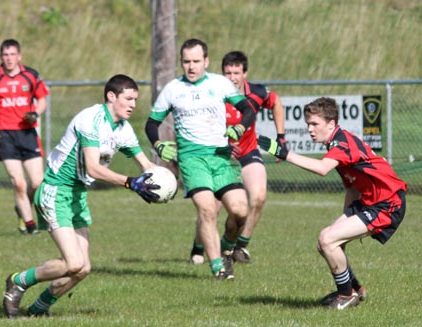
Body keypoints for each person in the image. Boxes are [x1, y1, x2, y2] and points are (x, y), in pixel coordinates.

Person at [3, 74, 160, 318]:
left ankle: (38, 309)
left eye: (135, 100)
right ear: (111, 96)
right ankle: (18, 280)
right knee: (73, 263)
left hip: (77, 195)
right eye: (128, 99)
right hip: (55, 191)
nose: (133, 104)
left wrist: (165, 177)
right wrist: (130, 183)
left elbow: (144, 164)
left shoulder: (123, 128)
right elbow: (93, 168)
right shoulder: (91, 119)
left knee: (83, 268)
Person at [258, 97, 407, 310]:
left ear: (331, 124)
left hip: (387, 203)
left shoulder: (342, 143)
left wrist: (284, 153)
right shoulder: (336, 142)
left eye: (314, 124)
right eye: (308, 124)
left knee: (328, 239)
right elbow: (352, 188)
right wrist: (345, 220)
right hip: (369, 200)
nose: (310, 129)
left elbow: (322, 168)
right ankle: (355, 288)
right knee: (326, 242)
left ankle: (346, 295)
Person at [145, 38, 256, 280]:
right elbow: (151, 123)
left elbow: (248, 110)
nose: (191, 67)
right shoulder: (173, 89)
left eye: (196, 61)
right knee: (207, 210)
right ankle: (218, 266)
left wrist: (239, 128)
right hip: (192, 158)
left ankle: (227, 246)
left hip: (220, 156)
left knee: (240, 211)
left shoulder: (220, 84)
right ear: (181, 63)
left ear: (206, 61)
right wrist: (158, 144)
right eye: (186, 62)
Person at [189, 50, 286, 264]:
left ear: (245, 74)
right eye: (227, 73)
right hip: (220, 156)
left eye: (236, 73)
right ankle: (198, 246)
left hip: (248, 152)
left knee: (259, 197)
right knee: (211, 207)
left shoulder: (257, 92)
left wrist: (281, 137)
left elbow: (276, 102)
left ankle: (240, 246)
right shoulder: (212, 94)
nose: (232, 77)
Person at [0, 39, 50, 235]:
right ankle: (29, 225)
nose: (9, 59)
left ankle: (22, 207)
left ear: (19, 56)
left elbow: (42, 99)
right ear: (0, 57)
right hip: (4, 135)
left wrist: (36, 113)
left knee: (37, 183)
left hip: (27, 133)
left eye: (12, 54)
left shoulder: (31, 76)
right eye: (5, 55)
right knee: (19, 182)